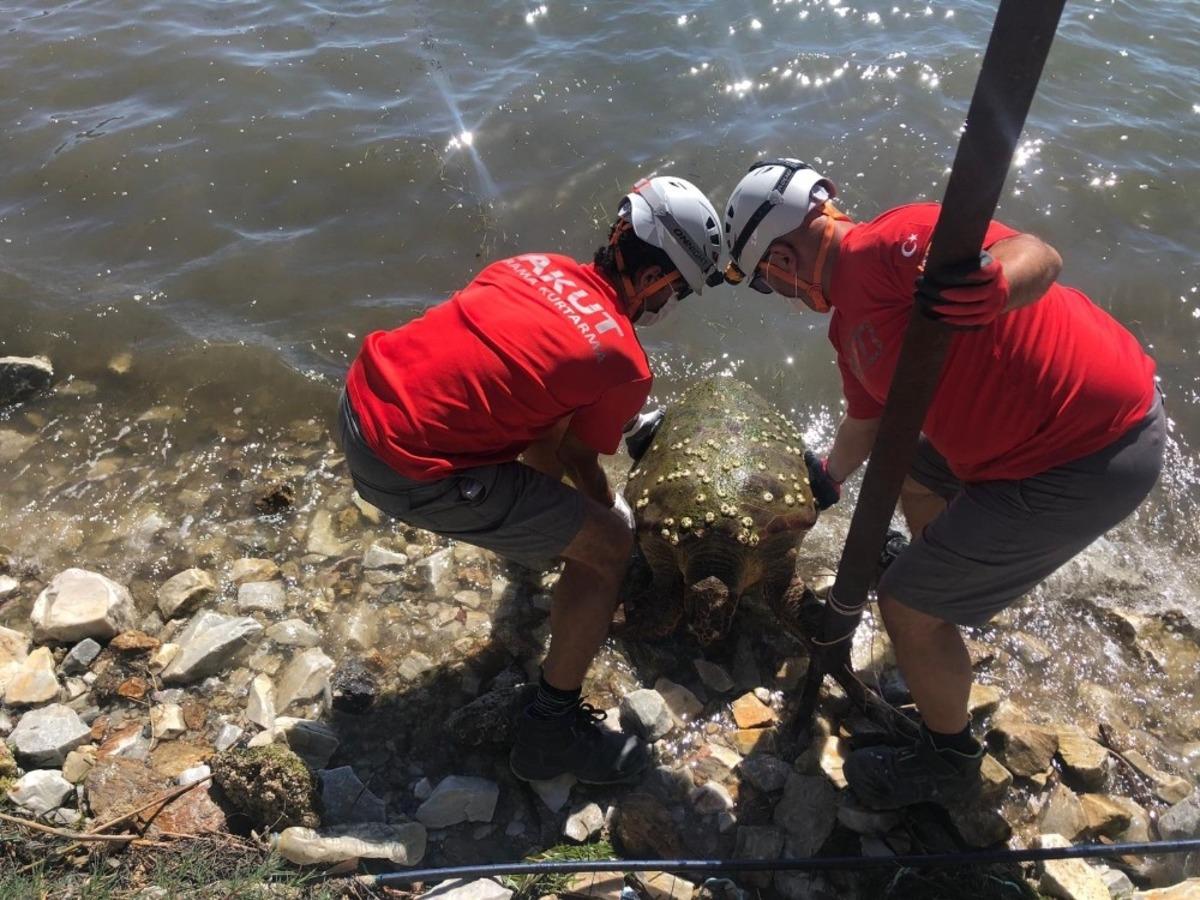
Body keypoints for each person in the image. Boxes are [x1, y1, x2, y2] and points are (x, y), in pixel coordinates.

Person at [722, 158, 1163, 809]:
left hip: (1090, 451)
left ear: (783, 257)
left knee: (903, 603)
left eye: (765, 281)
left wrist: (993, 284)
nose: (779, 295)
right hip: (1019, 452)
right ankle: (942, 599)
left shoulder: (894, 241)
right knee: (911, 465)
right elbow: (867, 424)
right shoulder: (848, 329)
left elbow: (1034, 254)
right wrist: (819, 486)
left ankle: (948, 757)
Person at [338, 175, 724, 784]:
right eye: (676, 293)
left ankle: (533, 559)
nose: (667, 307)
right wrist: (612, 531)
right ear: (655, 280)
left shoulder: (532, 264)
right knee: (609, 551)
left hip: (358, 403)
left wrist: (557, 522)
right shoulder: (621, 359)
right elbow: (575, 457)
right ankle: (550, 730)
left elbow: (537, 432)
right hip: (404, 468)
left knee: (547, 490)